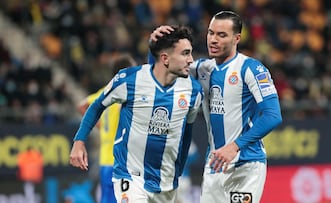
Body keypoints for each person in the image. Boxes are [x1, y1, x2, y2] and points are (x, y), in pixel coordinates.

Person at [150, 10, 283, 203]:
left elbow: (273, 115)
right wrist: (154, 46)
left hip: (245, 165)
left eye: (221, 35)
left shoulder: (252, 69)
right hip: (214, 165)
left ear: (236, 38)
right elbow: (159, 77)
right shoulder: (202, 69)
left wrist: (235, 146)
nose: (213, 39)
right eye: (211, 33)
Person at [69, 25, 203, 203]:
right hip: (130, 175)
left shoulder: (193, 91)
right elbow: (95, 106)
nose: (191, 60)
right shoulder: (129, 80)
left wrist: (178, 168)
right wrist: (79, 141)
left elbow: (186, 133)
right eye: (185, 53)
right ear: (165, 58)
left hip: (164, 180)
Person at [77, 53, 136, 203]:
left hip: (105, 160)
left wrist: (101, 125)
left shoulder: (105, 91)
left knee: (106, 199)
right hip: (120, 160)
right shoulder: (125, 93)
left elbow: (82, 105)